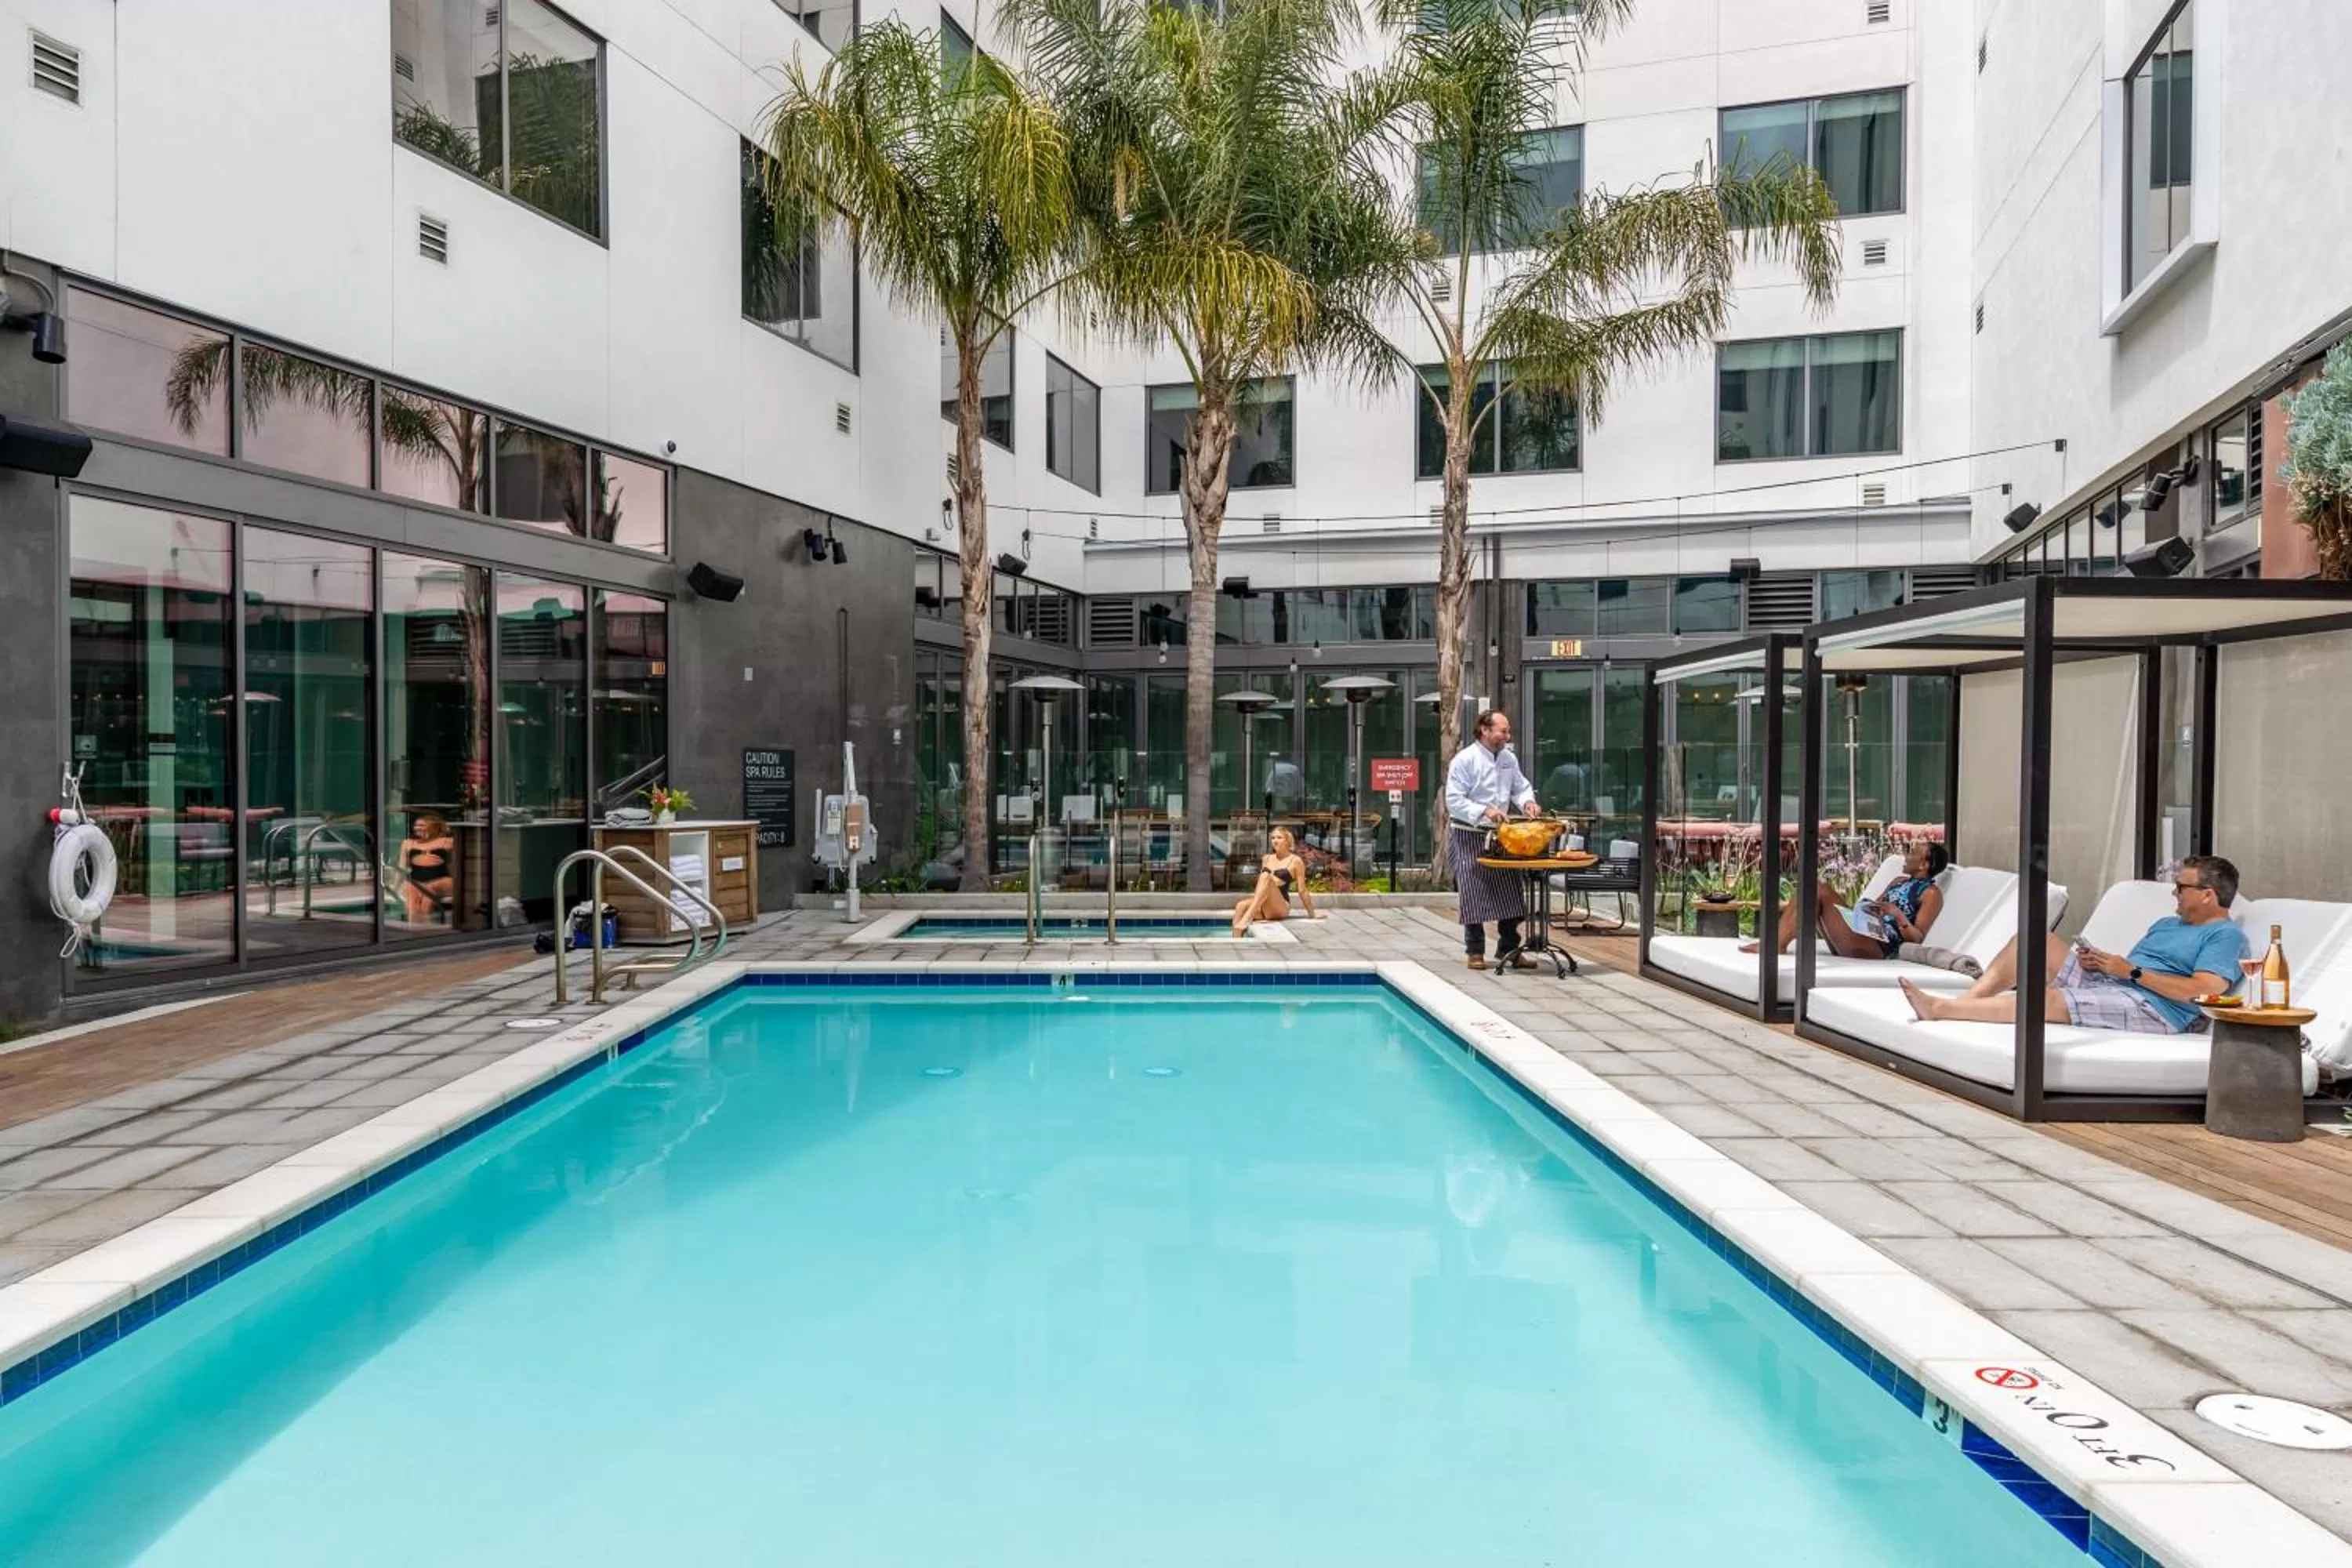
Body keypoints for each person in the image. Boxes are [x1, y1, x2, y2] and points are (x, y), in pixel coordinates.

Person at [1901, 854, 2248, 1031]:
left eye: (2182, 888)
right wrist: (2102, 963)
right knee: (2033, 940)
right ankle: (1965, 1004)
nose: (2174, 892)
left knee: (2049, 998)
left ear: (2207, 895)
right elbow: (2130, 970)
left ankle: (1941, 1011)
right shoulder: (2167, 923)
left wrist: (2132, 973)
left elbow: (2203, 992)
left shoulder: (2225, 936)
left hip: (2156, 1010)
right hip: (2119, 986)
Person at [1446, 709, 1544, 971]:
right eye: (1503, 731)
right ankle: (1475, 951)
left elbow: (1520, 787)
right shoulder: (1464, 760)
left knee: (1512, 892)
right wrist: (1485, 810)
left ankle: (1509, 949)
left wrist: (1528, 803)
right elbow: (1453, 801)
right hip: (1469, 834)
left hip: (1503, 835)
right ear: (1485, 730)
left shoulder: (1508, 759)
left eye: (1508, 731)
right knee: (1473, 893)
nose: (1507, 735)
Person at [1744, 840, 1950, 959]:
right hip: (1866, 932)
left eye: (1913, 852)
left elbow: (1918, 938)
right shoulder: (1898, 881)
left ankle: (1776, 946)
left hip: (1880, 946)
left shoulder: (1931, 894)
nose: (1906, 854)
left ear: (1924, 864)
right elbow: (1876, 906)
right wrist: (1869, 909)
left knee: (1819, 889)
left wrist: (1896, 915)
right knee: (1810, 889)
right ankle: (1777, 943)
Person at [1232, 825, 1319, 935]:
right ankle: (1236, 938)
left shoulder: (1295, 861)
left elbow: (1302, 890)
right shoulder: (1267, 858)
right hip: (1264, 906)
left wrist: (1312, 913)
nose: (1275, 841)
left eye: (1279, 838)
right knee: (1240, 906)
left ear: (1288, 841)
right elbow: (1261, 886)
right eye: (1273, 838)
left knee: (1266, 876)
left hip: (1280, 907)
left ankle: (1249, 917)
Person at [398, 811, 456, 925]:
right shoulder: (407, 843)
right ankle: (414, 926)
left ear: (435, 828)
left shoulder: (448, 842)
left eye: (422, 825)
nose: (417, 828)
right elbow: (402, 867)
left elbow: (455, 865)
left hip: (442, 879)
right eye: (416, 825)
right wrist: (395, 885)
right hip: (416, 879)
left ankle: (426, 927)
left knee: (428, 890)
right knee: (411, 892)